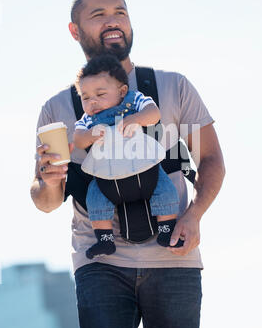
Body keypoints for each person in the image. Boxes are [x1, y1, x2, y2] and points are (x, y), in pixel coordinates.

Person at [31, 0, 225, 328]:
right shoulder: (56, 109)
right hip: (99, 264)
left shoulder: (172, 87)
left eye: (120, 11)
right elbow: (45, 200)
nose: (113, 20)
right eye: (99, 14)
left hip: (174, 258)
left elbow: (212, 158)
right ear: (75, 31)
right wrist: (49, 181)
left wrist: (194, 215)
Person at [73, 53, 181, 258]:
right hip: (107, 176)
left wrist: (136, 118)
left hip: (144, 166)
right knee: (95, 198)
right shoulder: (88, 119)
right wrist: (90, 135)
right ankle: (104, 239)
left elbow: (154, 113)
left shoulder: (134, 101)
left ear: (122, 91)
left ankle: (166, 230)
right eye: (85, 97)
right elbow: (78, 139)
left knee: (165, 190)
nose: (92, 102)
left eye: (100, 94)